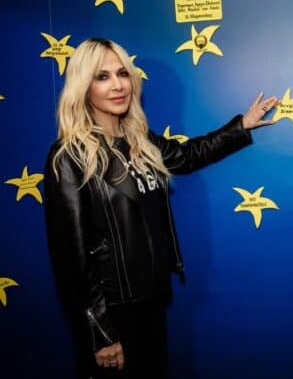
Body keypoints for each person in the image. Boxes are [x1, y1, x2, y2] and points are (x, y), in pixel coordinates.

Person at [44, 38, 278, 378]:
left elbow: (186, 156)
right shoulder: (69, 156)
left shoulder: (139, 140)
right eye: (102, 76)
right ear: (83, 86)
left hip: (152, 299)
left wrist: (240, 126)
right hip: (113, 311)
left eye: (122, 73)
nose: (118, 85)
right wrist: (101, 331)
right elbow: (71, 258)